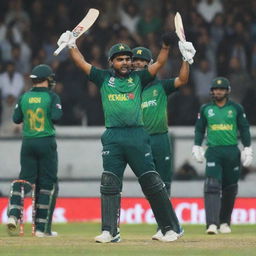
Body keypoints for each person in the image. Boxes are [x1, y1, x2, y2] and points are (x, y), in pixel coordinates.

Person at [56, 30, 195, 243]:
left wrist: (166, 46)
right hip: (112, 136)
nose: (125, 62)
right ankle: (110, 231)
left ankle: (170, 228)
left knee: (151, 182)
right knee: (110, 183)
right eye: (120, 59)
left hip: (137, 135)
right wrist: (71, 44)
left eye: (128, 59)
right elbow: (81, 63)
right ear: (111, 62)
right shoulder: (103, 78)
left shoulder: (139, 78)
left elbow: (157, 64)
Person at [131, 44, 193, 240]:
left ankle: (168, 227)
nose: (139, 63)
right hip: (140, 140)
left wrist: (186, 58)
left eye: (143, 60)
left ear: (150, 64)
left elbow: (183, 79)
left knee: (164, 185)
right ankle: (166, 225)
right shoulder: (129, 87)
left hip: (159, 138)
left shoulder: (160, 86)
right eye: (136, 60)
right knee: (149, 188)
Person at [7, 64, 63, 237]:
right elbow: (57, 117)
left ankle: (13, 214)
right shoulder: (52, 96)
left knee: (24, 180)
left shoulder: (24, 97)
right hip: (45, 142)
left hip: (28, 143)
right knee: (48, 184)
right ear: (47, 80)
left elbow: (16, 119)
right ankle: (41, 229)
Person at [192, 77, 253, 234]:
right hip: (213, 151)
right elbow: (199, 129)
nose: (218, 91)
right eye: (215, 89)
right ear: (212, 91)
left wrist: (247, 148)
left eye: (221, 89)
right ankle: (212, 224)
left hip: (232, 151)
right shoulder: (205, 108)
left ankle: (225, 222)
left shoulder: (236, 108)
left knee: (230, 188)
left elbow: (244, 129)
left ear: (227, 91)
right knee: (211, 186)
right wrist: (197, 146)